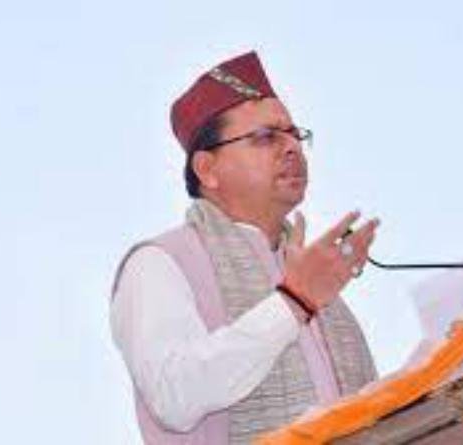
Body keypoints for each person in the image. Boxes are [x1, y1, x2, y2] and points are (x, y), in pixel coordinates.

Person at [110, 51, 380, 444]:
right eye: (266, 137)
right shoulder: (160, 262)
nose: (292, 148)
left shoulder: (306, 269)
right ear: (207, 169)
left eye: (295, 134)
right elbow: (175, 394)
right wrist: (294, 301)